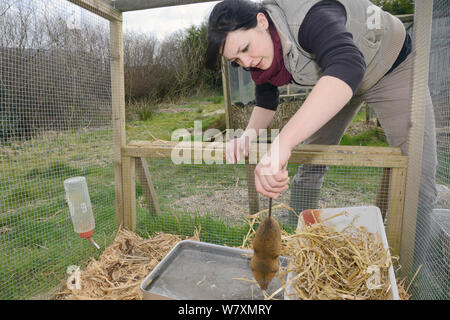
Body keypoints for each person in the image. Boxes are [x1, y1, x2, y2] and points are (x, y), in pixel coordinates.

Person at [205, 0, 437, 228]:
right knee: (311, 161)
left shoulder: (310, 15)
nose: (247, 62)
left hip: (390, 66)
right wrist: (247, 137)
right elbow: (267, 99)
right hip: (336, 77)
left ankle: (414, 262)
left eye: (245, 48)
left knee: (419, 179)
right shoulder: (263, 56)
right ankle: (297, 238)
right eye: (236, 61)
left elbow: (347, 65)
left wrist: (281, 144)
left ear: (262, 21)